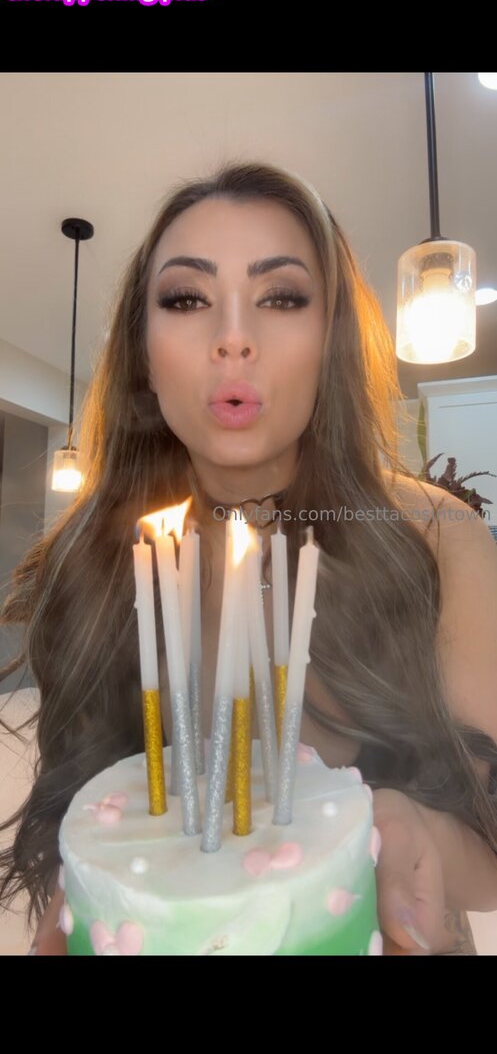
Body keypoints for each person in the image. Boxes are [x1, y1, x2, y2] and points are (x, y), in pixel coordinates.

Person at [1, 160, 496, 958]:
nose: (233, 338)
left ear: (331, 339)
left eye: (281, 296)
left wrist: (410, 831)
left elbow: (490, 845)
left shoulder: (431, 536)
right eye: (186, 298)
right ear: (143, 350)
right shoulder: (91, 558)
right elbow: (89, 810)